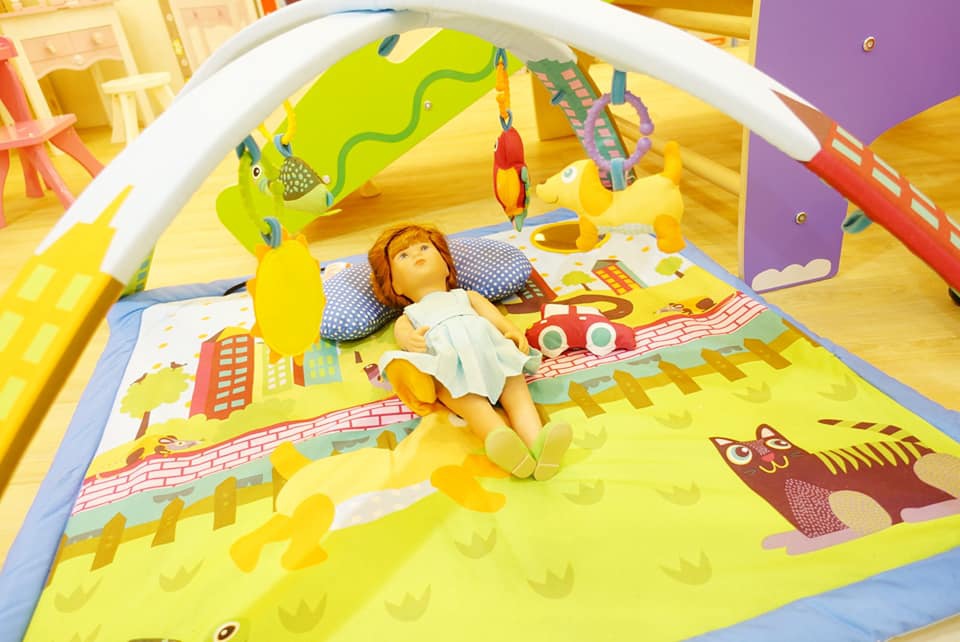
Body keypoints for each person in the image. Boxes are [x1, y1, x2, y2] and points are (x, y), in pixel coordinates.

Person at [369, 223, 572, 480]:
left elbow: (496, 319)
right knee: (476, 408)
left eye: (424, 247)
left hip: (493, 352)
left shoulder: (467, 296)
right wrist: (413, 341)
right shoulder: (408, 316)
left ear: (446, 266)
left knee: (518, 396)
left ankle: (540, 446)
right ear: (395, 285)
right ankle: (505, 446)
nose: (417, 254)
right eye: (403, 255)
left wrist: (512, 332)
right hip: (451, 366)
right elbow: (405, 339)